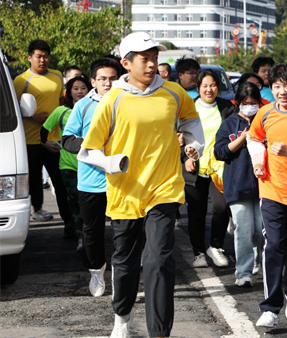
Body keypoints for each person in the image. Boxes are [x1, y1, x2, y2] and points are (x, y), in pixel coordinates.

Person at [77, 32, 204, 338]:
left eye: (155, 58)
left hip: (164, 188)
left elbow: (191, 121)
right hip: (126, 191)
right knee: (126, 260)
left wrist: (194, 145)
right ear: (126, 63)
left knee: (159, 259)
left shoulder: (174, 92)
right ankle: (121, 316)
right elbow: (88, 150)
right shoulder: (113, 99)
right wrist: (111, 163)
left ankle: (159, 333)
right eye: (144, 58)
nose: (151, 64)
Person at [247, 63, 287, 328]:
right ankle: (271, 308)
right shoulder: (264, 113)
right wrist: (258, 160)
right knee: (274, 246)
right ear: (270, 87)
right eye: (276, 86)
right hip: (272, 190)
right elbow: (253, 139)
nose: (282, 92)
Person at [62, 57, 120, 297]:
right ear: (93, 81)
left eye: (112, 78)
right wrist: (90, 144)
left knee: (124, 229)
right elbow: (67, 139)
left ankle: (121, 274)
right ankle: (97, 271)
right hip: (91, 181)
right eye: (102, 79)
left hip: (122, 180)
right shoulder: (83, 105)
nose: (107, 83)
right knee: (92, 231)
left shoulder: (127, 102)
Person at [14, 40, 70, 226]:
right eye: (39, 56)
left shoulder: (57, 75)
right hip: (31, 140)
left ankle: (69, 220)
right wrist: (33, 117)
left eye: (46, 56)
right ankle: (36, 210)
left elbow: (60, 103)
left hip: (54, 138)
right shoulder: (21, 80)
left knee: (59, 179)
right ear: (30, 57)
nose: (43, 60)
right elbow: (15, 108)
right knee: (35, 179)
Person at [182, 68, 234, 268]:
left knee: (221, 207)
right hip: (194, 166)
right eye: (205, 86)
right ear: (198, 88)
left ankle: (216, 246)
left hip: (219, 167)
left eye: (213, 85)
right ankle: (198, 252)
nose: (209, 89)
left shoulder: (227, 107)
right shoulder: (189, 108)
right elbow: (176, 135)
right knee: (197, 212)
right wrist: (184, 157)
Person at [214, 82, 264, 287]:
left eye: (254, 103)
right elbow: (220, 152)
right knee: (244, 231)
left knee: (260, 231)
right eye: (246, 103)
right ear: (238, 103)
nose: (250, 107)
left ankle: (260, 262)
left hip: (263, 185)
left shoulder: (265, 121)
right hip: (238, 184)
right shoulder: (230, 123)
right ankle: (243, 273)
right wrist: (243, 137)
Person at [40, 76, 91, 245]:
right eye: (75, 88)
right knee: (75, 203)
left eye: (83, 88)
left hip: (92, 166)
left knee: (89, 205)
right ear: (69, 92)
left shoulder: (97, 108)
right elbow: (44, 130)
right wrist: (46, 144)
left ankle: (88, 235)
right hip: (69, 166)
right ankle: (80, 237)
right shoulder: (61, 111)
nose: (79, 91)